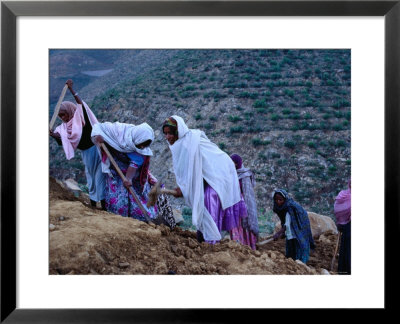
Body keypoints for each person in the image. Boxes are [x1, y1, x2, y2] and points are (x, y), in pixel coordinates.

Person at [162, 115, 249, 246]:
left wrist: (185, 189)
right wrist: (185, 188)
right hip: (206, 178)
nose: (167, 137)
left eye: (170, 133)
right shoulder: (179, 145)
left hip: (219, 176)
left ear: (177, 132)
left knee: (209, 200)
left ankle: (211, 243)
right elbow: (189, 173)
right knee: (200, 202)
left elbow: (196, 171)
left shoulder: (189, 143)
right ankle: (203, 239)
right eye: (165, 134)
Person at [91, 121, 176, 228]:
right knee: (117, 196)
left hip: (133, 173)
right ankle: (116, 215)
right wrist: (99, 138)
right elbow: (98, 128)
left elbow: (134, 165)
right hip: (116, 170)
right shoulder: (120, 131)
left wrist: (128, 179)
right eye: (141, 143)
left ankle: (141, 217)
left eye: (145, 145)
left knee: (134, 194)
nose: (141, 146)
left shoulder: (140, 153)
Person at [49, 79, 106, 210]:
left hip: (96, 151)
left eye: (64, 114)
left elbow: (81, 105)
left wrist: (71, 90)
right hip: (86, 154)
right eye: (60, 116)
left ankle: (104, 208)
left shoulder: (80, 119)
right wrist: (52, 134)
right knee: (91, 180)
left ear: (69, 111)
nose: (63, 118)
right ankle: (93, 206)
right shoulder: (64, 128)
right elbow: (62, 138)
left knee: (100, 179)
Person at [272, 189, 315, 264]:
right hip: (291, 231)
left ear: (285, 199)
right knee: (291, 246)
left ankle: (300, 264)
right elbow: (285, 222)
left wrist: (278, 233)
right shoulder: (282, 208)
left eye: (280, 199)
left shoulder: (290, 208)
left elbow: (287, 224)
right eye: (276, 199)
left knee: (299, 245)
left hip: (298, 229)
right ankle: (291, 262)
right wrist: (282, 233)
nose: (278, 201)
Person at [230, 153, 259, 250]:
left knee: (245, 225)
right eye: (232, 163)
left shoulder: (245, 175)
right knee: (235, 225)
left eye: (235, 163)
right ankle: (237, 247)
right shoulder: (229, 174)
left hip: (244, 204)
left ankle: (248, 247)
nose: (233, 165)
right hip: (233, 204)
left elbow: (249, 194)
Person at [334, 179, 351, 275]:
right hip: (347, 227)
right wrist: (341, 222)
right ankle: (345, 271)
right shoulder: (344, 195)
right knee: (346, 249)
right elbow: (338, 209)